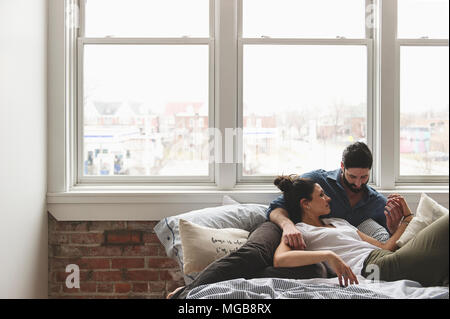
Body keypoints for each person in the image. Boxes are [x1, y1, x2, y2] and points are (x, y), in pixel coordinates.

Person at [272, 175, 448, 288]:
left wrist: (408, 217)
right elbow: (280, 260)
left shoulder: (338, 222)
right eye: (321, 195)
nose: (328, 198)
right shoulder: (300, 230)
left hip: (386, 257)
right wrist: (328, 255)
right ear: (306, 203)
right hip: (373, 268)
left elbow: (384, 247)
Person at [267, 142, 403, 250]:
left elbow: (390, 244)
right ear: (342, 166)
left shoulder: (377, 202)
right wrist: (288, 226)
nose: (358, 183)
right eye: (353, 176)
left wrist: (393, 229)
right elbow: (276, 207)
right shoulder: (317, 181)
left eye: (364, 177)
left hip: (357, 256)